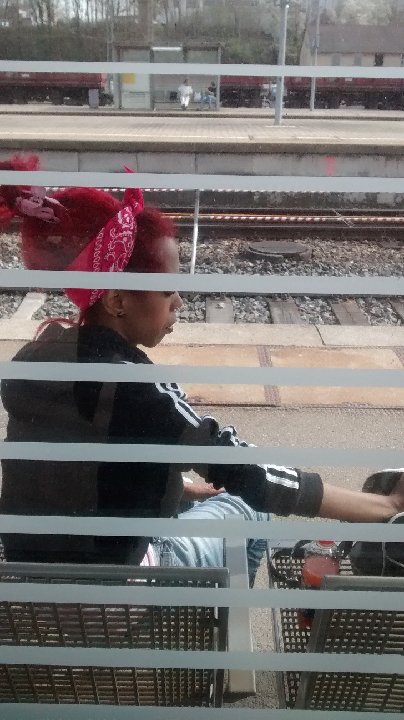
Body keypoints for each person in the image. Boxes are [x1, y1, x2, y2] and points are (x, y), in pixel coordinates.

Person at [0, 155, 403, 586]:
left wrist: (182, 488)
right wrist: (384, 506)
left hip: (32, 584)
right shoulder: (136, 385)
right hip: (116, 597)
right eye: (167, 290)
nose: (179, 302)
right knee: (250, 509)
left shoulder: (36, 361)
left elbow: (74, 471)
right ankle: (217, 611)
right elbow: (250, 473)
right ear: (117, 300)